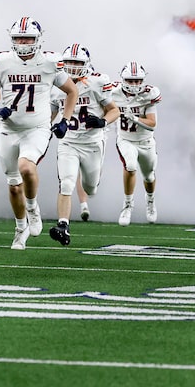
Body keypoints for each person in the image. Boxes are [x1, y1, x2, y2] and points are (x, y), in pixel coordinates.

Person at [0, 17, 78, 250]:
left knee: (26, 167)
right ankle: (20, 228)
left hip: (36, 128)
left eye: (27, 38)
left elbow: (72, 91)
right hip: (9, 129)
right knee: (13, 185)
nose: (23, 42)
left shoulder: (49, 62)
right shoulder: (2, 62)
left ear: (38, 40)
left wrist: (65, 120)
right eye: (19, 38)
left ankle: (32, 208)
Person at [48, 45, 119, 246]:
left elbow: (114, 110)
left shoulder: (97, 82)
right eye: (69, 62)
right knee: (67, 182)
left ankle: (88, 192)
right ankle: (63, 225)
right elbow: (50, 114)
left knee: (91, 187)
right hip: (68, 142)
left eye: (77, 63)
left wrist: (103, 121)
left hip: (92, 143)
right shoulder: (56, 85)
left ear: (86, 64)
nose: (72, 66)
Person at [110, 61, 160, 226]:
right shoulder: (113, 92)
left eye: (138, 80)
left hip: (146, 141)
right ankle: (127, 205)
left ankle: (150, 201)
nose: (134, 84)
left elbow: (152, 124)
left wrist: (136, 119)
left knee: (149, 176)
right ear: (123, 80)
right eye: (131, 81)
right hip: (125, 139)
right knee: (130, 166)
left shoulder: (149, 94)